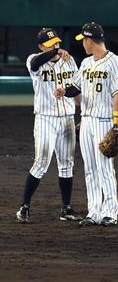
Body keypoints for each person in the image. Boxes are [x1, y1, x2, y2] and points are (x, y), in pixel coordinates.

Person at [54, 22, 118, 227]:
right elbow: (75, 88)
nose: (83, 45)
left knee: (104, 167)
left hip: (104, 121)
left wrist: (116, 125)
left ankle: (110, 212)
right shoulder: (86, 63)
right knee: (90, 168)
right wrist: (64, 91)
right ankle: (94, 211)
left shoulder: (115, 62)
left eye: (83, 41)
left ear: (89, 40)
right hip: (86, 121)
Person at [16, 28, 82, 223]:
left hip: (67, 118)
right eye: (50, 43)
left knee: (67, 164)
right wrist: (54, 53)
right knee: (42, 163)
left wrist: (84, 114)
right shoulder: (33, 60)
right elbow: (37, 63)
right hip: (45, 119)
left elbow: (77, 89)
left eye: (57, 43)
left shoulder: (69, 61)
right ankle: (24, 207)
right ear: (40, 46)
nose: (55, 45)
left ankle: (66, 208)